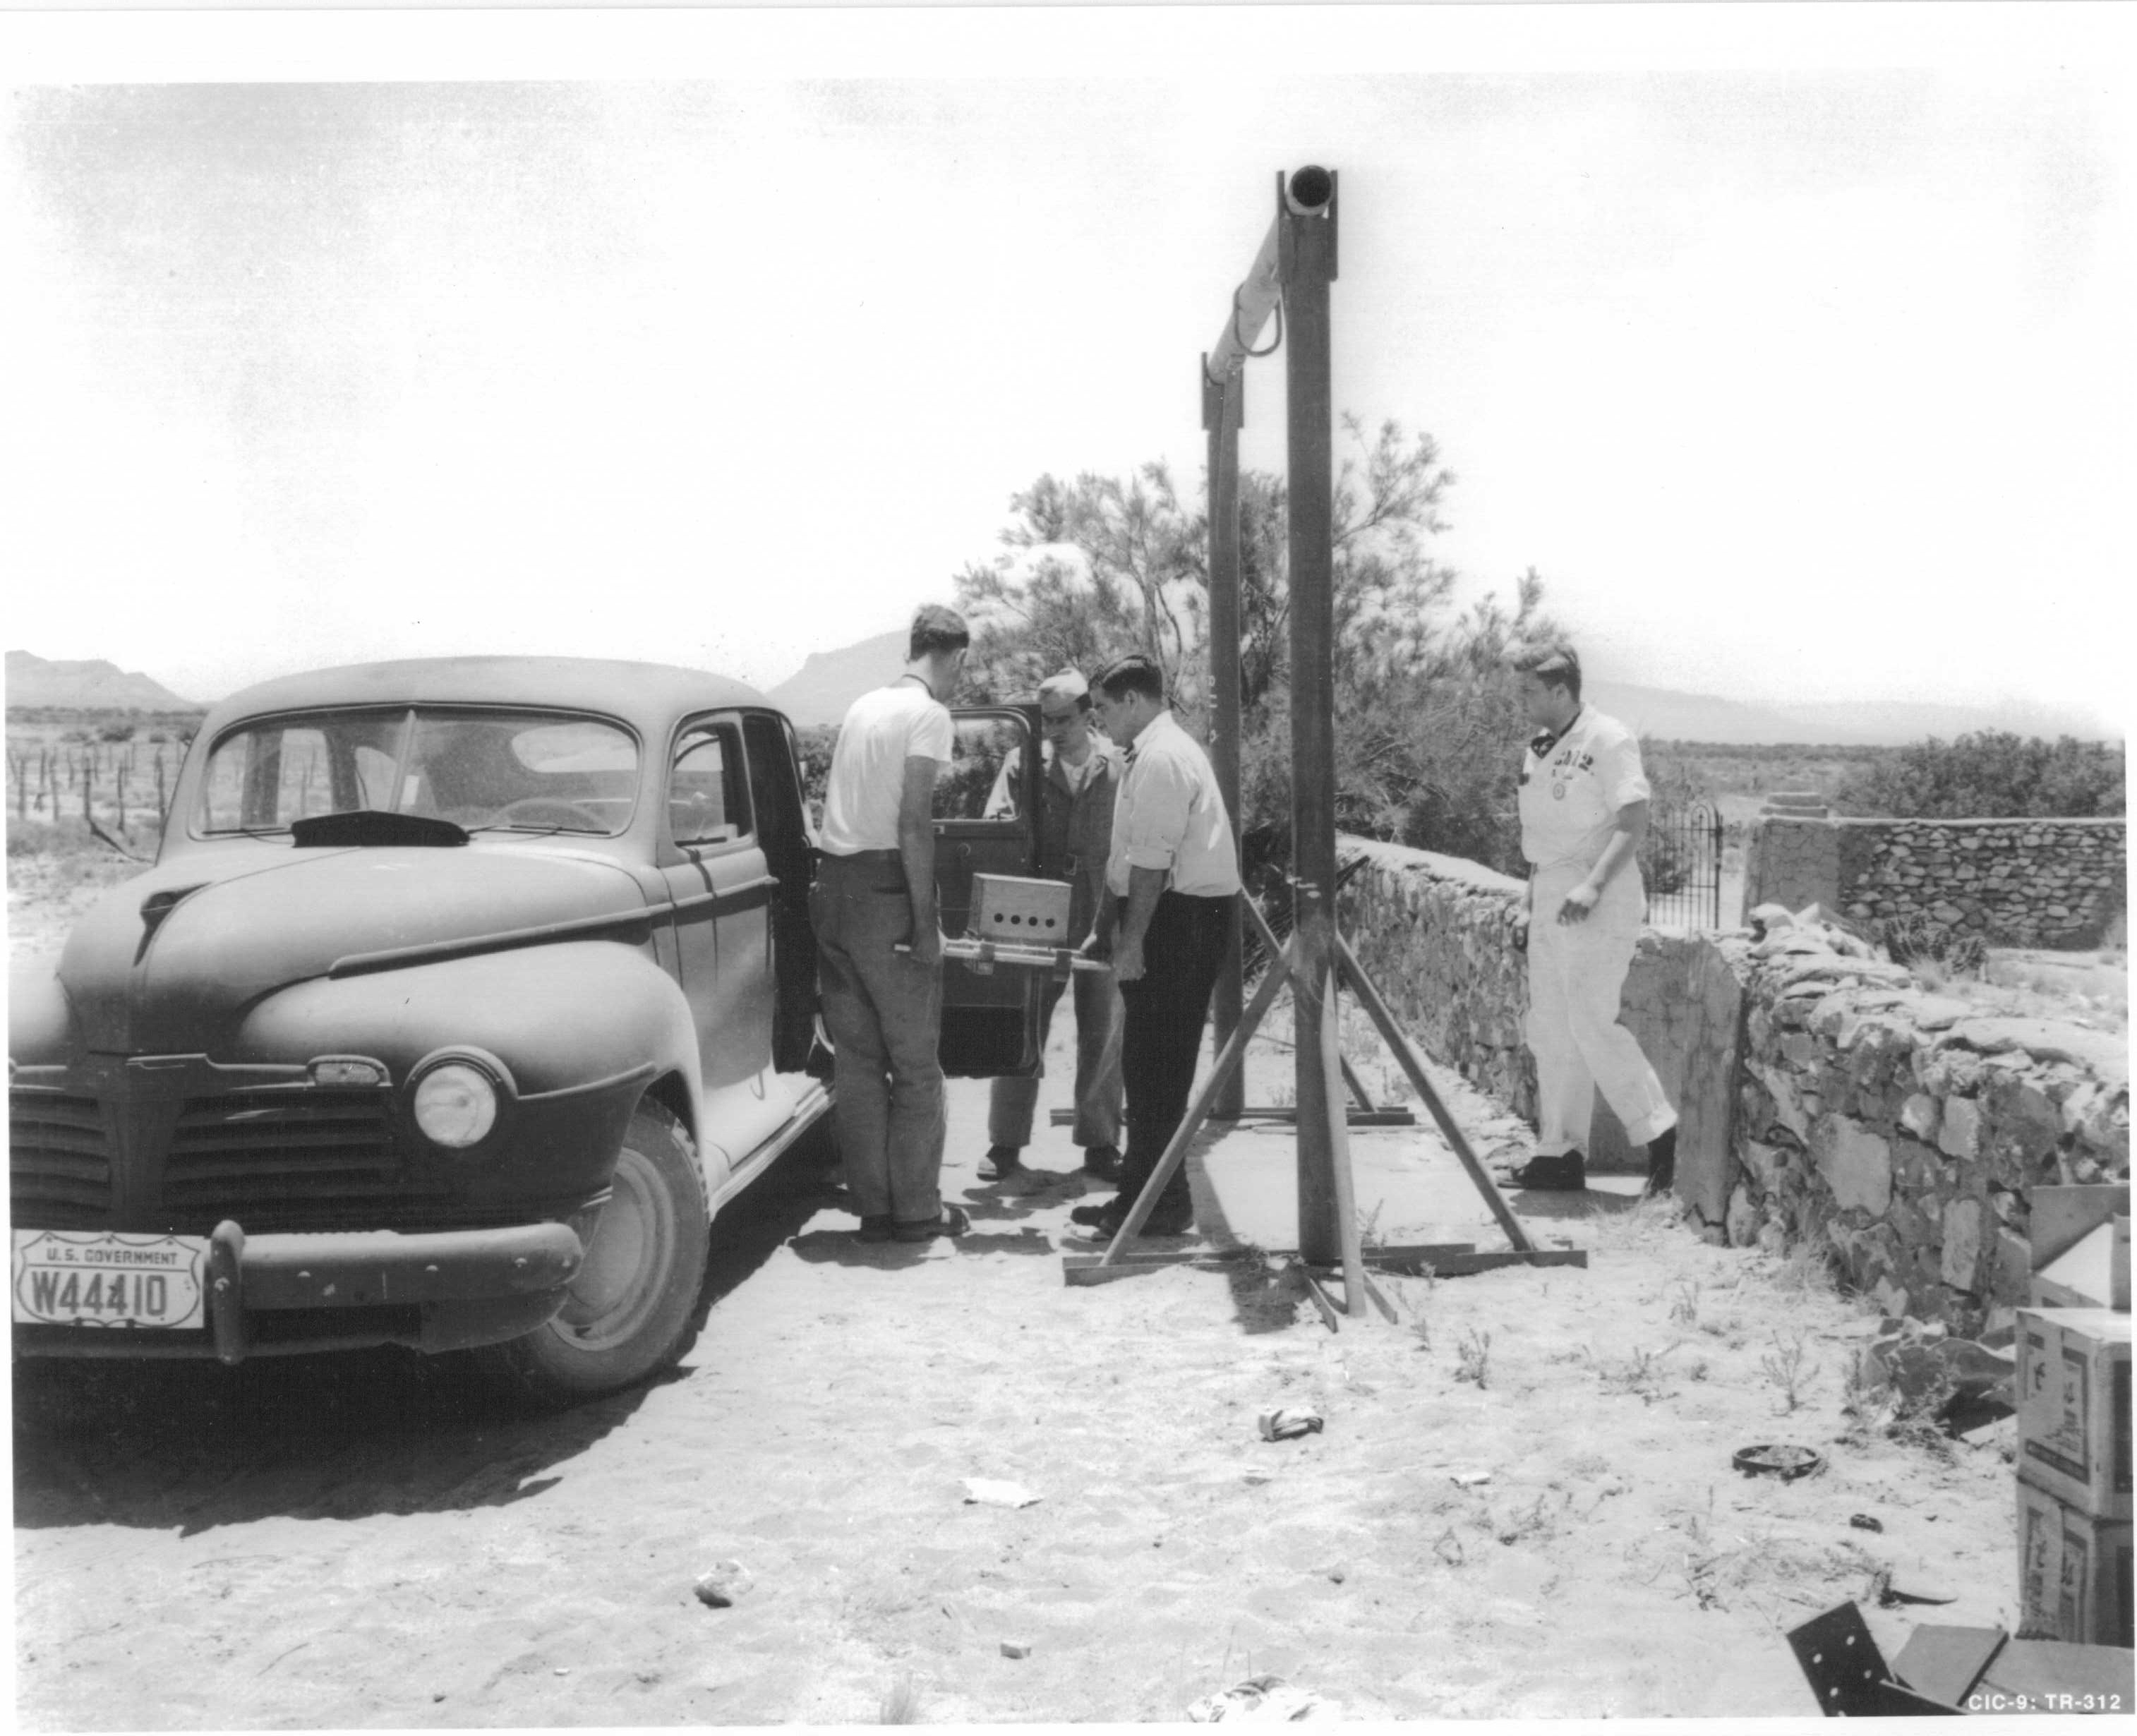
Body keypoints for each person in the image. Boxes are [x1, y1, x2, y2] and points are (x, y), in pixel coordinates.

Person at [812, 604, 973, 1243]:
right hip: (885, 892)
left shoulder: (862, 707)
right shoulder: (929, 715)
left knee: (856, 1063)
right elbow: (912, 823)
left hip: (833, 888)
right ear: (955, 656)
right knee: (914, 1065)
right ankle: (916, 1211)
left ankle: (874, 1208)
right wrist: (927, 923)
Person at [1068, 655, 1241, 1239]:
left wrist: (1134, 942)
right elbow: (1123, 858)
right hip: (1169, 915)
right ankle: (1144, 1197)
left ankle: (1159, 1204)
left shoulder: (1163, 757)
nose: (1099, 723)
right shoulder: (1144, 754)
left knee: (1157, 1069)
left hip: (1182, 921)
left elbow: (1151, 862)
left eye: (1104, 710)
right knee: (1147, 1068)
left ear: (1135, 703)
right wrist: (1103, 927)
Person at [1500, 642, 1679, 1196]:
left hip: (1599, 897)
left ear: (1560, 690)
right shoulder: (1539, 747)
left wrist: (1594, 885)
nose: (1520, 699)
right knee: (1551, 1028)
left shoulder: (1608, 738)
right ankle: (1559, 1152)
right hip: (1552, 892)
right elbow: (1547, 841)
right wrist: (1531, 902)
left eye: (1528, 690)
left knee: (1592, 1022)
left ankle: (1661, 1137)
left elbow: (1633, 818)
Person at [978, 669, 1126, 1185]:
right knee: (1023, 1023)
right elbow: (997, 825)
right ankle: (1005, 1142)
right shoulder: (1024, 765)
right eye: (1046, 722)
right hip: (1040, 907)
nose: (1055, 730)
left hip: (1103, 903)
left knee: (1104, 1027)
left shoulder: (1119, 766)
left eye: (1064, 720)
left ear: (1090, 713)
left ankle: (1101, 1142)